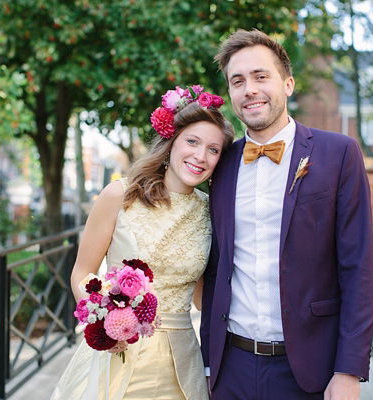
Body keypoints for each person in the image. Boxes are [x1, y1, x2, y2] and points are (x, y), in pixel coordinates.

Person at [200, 29, 373, 400]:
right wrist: (207, 363)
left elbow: (358, 268)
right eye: (238, 81)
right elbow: (216, 268)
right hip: (230, 367)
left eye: (260, 76)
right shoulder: (222, 163)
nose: (249, 89)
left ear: (288, 84)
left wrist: (349, 370)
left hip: (311, 370)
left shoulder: (339, 153)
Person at [51, 85, 235, 400]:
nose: (200, 157)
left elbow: (205, 299)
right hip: (118, 354)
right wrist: (106, 320)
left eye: (213, 149)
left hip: (181, 364)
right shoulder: (118, 196)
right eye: (192, 141)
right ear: (171, 141)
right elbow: (82, 273)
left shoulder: (213, 210)